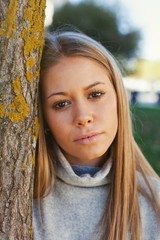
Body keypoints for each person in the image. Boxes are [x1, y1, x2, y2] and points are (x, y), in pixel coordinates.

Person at [33, 29, 160, 240]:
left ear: (119, 98)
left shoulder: (154, 202)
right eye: (61, 104)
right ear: (44, 119)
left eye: (95, 94)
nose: (83, 117)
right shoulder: (18, 196)